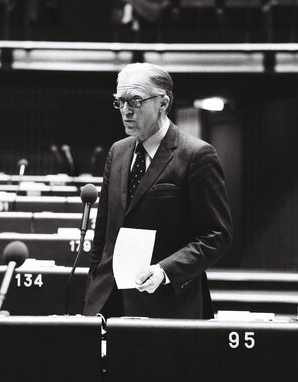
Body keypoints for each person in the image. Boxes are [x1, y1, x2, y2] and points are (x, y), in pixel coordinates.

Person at [84, 62, 233, 319]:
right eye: (120, 101)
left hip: (167, 304)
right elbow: (104, 232)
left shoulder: (197, 155)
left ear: (163, 103)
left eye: (136, 101)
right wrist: (93, 287)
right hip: (109, 300)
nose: (126, 111)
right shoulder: (117, 152)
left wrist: (165, 271)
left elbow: (216, 235)